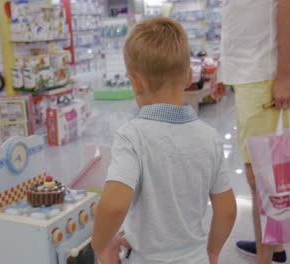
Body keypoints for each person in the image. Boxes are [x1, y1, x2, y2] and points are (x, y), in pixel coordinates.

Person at [91, 17, 237, 264]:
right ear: (189, 76)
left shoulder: (132, 137)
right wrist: (211, 252)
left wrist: (101, 246)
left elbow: (114, 205)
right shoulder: (209, 138)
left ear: (135, 82)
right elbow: (227, 211)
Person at [211, 0, 290, 263]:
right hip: (250, 74)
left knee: (263, 177)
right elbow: (240, 19)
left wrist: (285, 74)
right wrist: (224, 68)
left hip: (264, 73)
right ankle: (275, 246)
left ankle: (264, 258)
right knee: (265, 173)